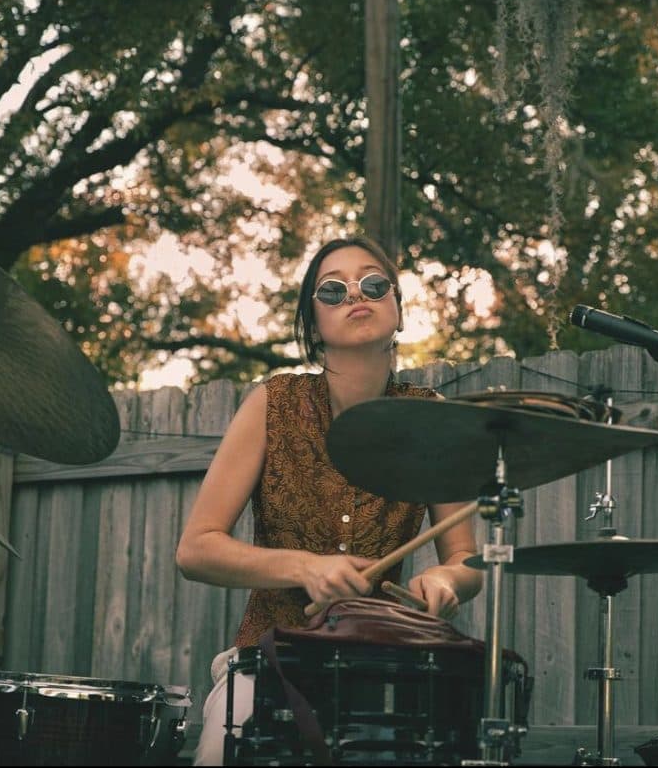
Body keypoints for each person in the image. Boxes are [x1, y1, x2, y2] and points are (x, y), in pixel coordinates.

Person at [175, 235, 483, 765]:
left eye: (372, 283)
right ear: (313, 327)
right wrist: (305, 568)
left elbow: (465, 561)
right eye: (332, 290)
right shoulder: (272, 403)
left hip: (383, 660)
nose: (354, 295)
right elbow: (196, 550)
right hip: (268, 659)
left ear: (399, 310)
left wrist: (446, 579)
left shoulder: (432, 417)